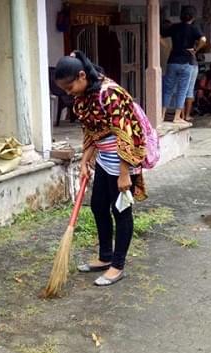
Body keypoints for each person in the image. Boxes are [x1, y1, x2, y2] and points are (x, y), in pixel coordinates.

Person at [54, 51, 149, 287]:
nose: (69, 93)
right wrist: (84, 161)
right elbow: (91, 132)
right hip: (105, 160)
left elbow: (125, 133)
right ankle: (105, 256)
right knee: (98, 206)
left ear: (82, 75)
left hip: (123, 160)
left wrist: (125, 173)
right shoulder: (83, 97)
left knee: (121, 211)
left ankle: (117, 266)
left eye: (69, 87)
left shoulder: (110, 93)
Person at [161, 5, 207, 125]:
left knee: (168, 90)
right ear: (193, 17)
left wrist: (167, 47)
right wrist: (195, 49)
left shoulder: (174, 27)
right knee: (182, 90)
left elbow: (159, 36)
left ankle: (161, 115)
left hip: (172, 61)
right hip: (187, 62)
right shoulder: (194, 28)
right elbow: (203, 40)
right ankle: (177, 117)